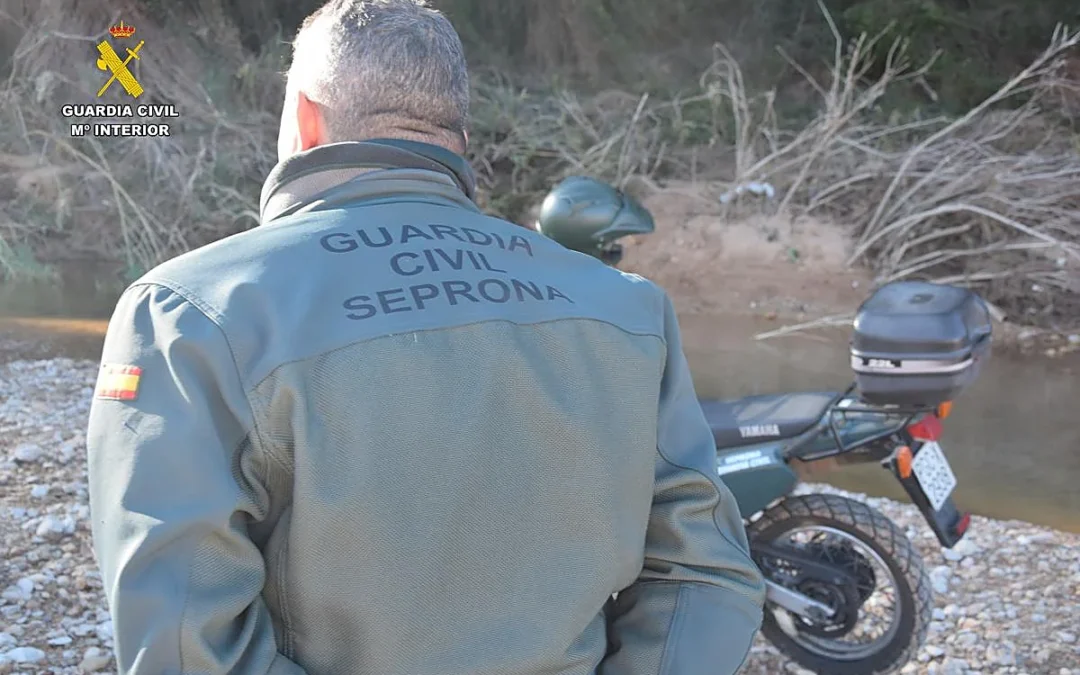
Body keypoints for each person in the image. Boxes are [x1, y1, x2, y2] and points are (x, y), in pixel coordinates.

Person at [85, 1, 765, 674]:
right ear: (457, 135)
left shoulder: (184, 312)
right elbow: (705, 575)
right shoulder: (628, 308)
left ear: (306, 118)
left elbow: (183, 643)